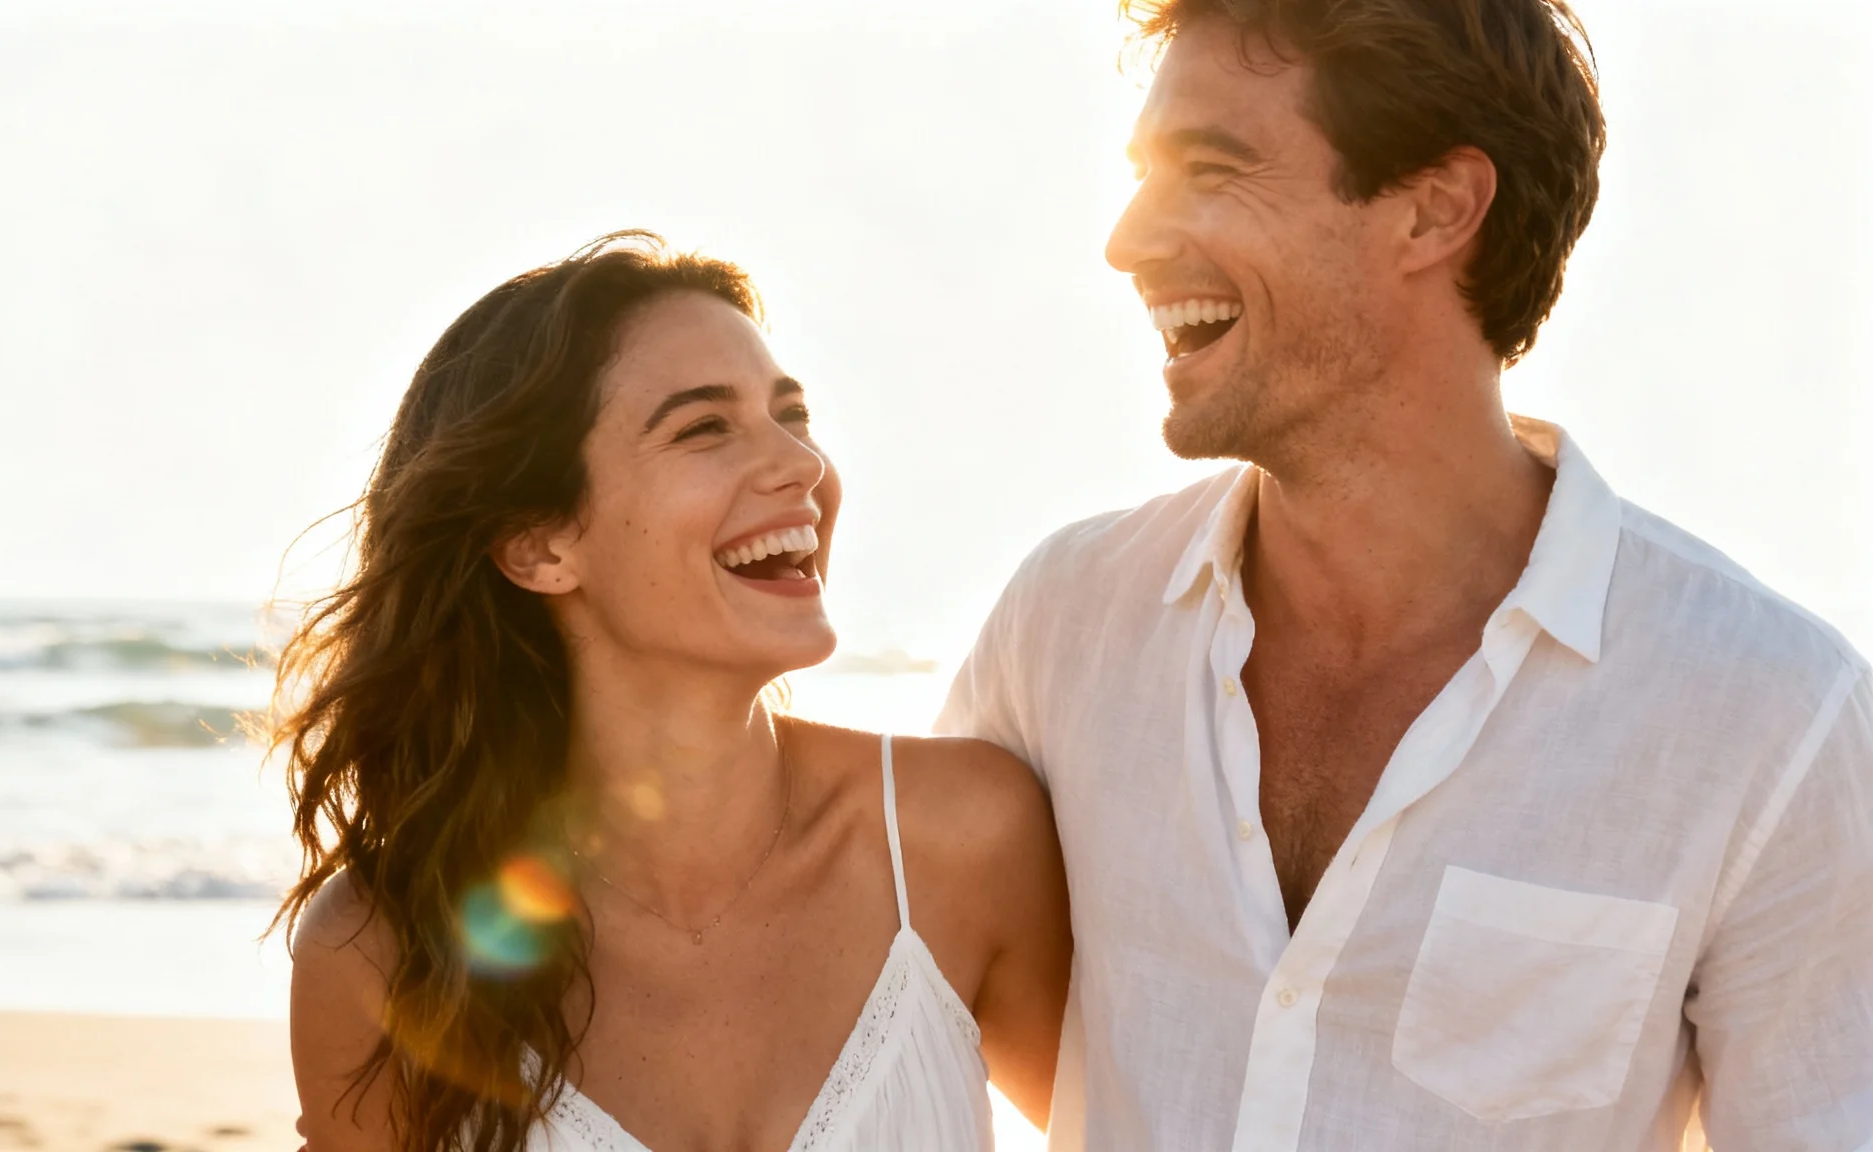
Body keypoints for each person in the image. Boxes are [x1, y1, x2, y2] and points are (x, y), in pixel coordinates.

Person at [937, 1, 1873, 1149]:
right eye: (1141, 173)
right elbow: (909, 995)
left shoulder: (1766, 714)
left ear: (1433, 209)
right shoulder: (1061, 626)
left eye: (1210, 169)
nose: (1126, 239)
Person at [276, 233, 1070, 1152]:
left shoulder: (957, 838)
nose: (802, 467)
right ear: (538, 545)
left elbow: (1157, 1114)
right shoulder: (379, 949)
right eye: (704, 428)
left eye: (793, 416)